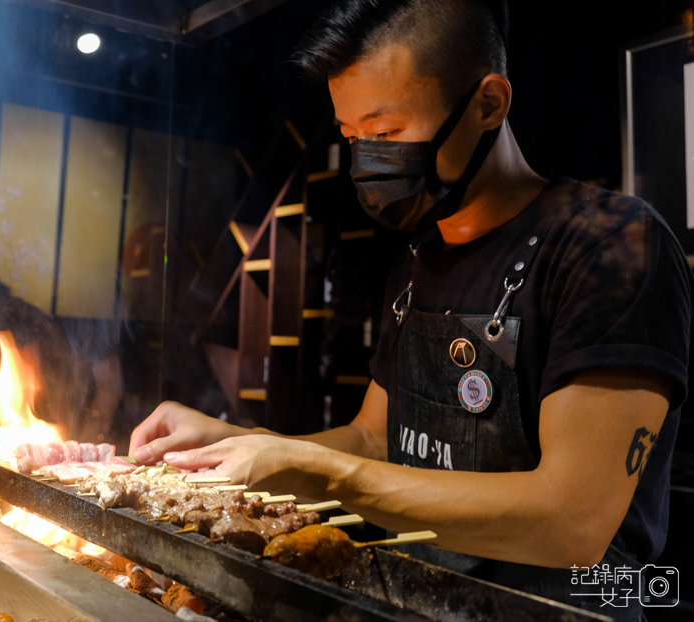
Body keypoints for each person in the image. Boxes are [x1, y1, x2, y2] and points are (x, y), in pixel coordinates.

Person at [129, 0, 691, 616]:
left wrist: (317, 470)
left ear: (489, 104)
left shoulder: (610, 245)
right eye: (352, 137)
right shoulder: (420, 256)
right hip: (425, 598)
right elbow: (376, 439)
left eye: (388, 132)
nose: (368, 158)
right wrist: (237, 442)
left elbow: (573, 522)